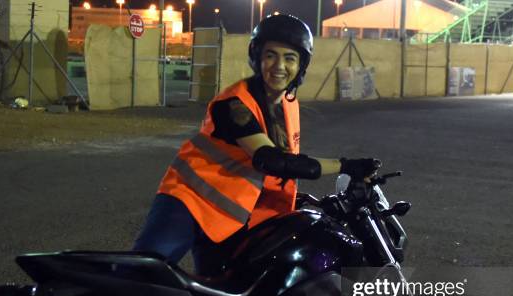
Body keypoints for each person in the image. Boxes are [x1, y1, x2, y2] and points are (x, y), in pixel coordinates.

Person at [134, 14, 378, 274]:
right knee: (141, 278)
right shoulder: (234, 104)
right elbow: (270, 160)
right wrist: (344, 165)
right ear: (257, 57)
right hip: (187, 204)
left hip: (232, 218)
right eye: (271, 55)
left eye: (290, 58)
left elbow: (283, 166)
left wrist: (296, 200)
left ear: (301, 65)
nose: (279, 66)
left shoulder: (287, 103)